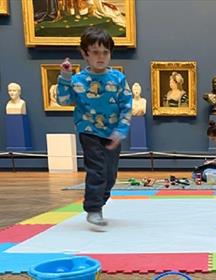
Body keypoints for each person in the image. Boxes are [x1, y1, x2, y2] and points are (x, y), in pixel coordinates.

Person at [57, 26, 132, 226]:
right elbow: (64, 101)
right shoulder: (78, 80)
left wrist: (121, 130)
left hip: (112, 133)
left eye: (105, 52)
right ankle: (93, 208)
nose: (101, 57)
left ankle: (100, 202)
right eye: (95, 52)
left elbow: (127, 105)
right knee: (97, 169)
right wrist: (65, 78)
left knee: (110, 174)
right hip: (88, 131)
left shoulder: (118, 79)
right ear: (85, 54)